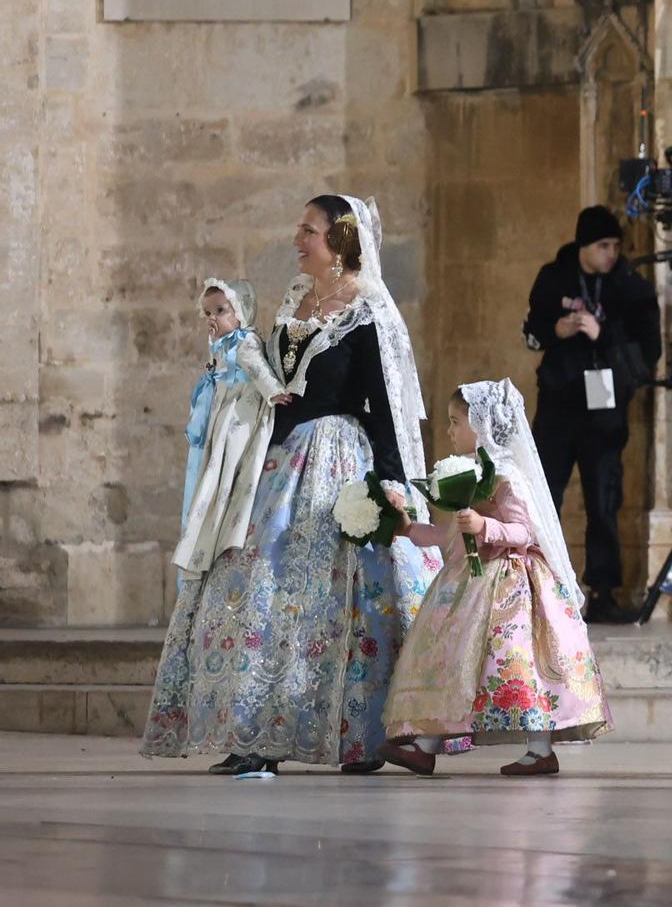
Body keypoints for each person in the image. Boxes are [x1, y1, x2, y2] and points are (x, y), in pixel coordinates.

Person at [142, 194, 441, 777]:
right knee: (250, 584)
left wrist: (392, 484)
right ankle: (257, 735)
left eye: (308, 230)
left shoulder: (369, 308)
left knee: (334, 602)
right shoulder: (293, 298)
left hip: (336, 459)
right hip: (276, 459)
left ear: (342, 239)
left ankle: (358, 738)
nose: (297, 239)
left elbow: (386, 406)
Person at [379, 379, 610, 778]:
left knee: (519, 660)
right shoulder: (464, 474)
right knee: (453, 658)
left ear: (482, 425)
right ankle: (425, 745)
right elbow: (448, 535)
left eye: (455, 422)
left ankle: (540, 749)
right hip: (468, 583)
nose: (449, 431)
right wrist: (407, 529)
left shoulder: (506, 475)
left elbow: (524, 532)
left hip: (511, 583)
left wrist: (486, 525)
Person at [525, 205, 662, 625]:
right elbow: (532, 330)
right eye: (604, 246)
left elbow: (648, 348)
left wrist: (603, 334)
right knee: (542, 494)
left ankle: (602, 591)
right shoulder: (554, 278)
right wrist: (558, 331)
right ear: (585, 246)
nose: (611, 254)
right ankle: (531, 584)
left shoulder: (628, 286)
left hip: (604, 413)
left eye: (616, 246)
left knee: (604, 499)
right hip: (560, 406)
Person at [173, 280, 284, 586]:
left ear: (242, 312)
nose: (212, 318)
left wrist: (274, 393)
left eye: (221, 311)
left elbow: (257, 368)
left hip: (240, 410)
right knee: (216, 453)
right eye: (208, 312)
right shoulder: (223, 342)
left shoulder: (245, 341)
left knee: (232, 450)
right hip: (223, 409)